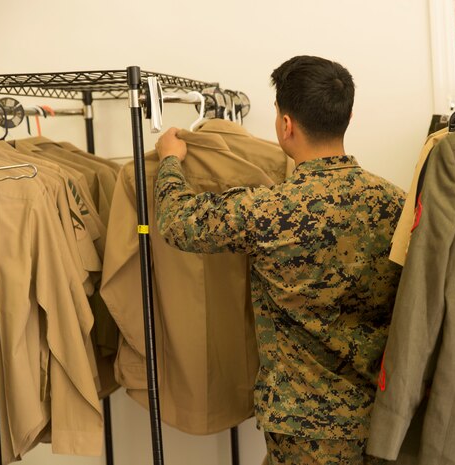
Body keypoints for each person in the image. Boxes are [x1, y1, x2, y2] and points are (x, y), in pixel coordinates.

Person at [154, 55, 404, 464]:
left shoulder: (269, 209)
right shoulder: (397, 204)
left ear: (285, 124)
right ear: (348, 116)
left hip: (301, 426)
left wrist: (169, 160)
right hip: (382, 415)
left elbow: (178, 223)